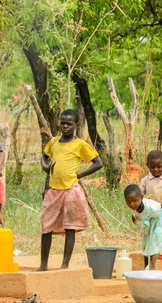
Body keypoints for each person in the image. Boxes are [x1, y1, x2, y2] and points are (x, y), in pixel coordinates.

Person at [39, 109, 103, 271]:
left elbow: (98, 163)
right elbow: (45, 155)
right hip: (54, 190)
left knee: (70, 228)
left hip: (71, 190)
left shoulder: (80, 144)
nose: (65, 126)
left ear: (76, 125)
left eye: (69, 123)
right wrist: (44, 165)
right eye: (63, 123)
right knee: (46, 227)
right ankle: (43, 265)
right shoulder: (54, 142)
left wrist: (79, 174)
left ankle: (65, 264)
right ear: (58, 123)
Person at [125, 184, 162, 270]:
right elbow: (135, 212)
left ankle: (153, 266)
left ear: (142, 197)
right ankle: (146, 266)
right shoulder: (134, 207)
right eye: (128, 202)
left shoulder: (150, 205)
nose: (132, 204)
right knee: (146, 244)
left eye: (135, 201)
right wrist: (133, 217)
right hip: (150, 225)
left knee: (155, 242)